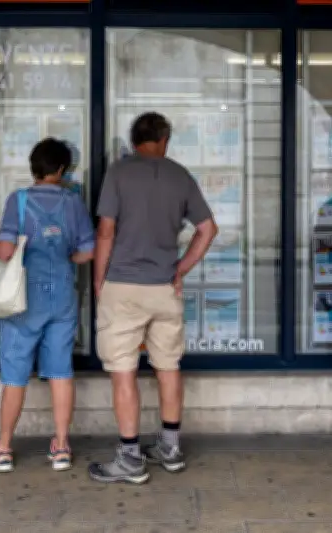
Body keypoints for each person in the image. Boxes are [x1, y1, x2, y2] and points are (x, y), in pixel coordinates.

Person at [89, 112, 218, 484]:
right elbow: (207, 229)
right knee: (168, 366)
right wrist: (181, 269)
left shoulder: (118, 173)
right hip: (165, 288)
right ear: (164, 139)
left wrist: (99, 280)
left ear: (134, 141)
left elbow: (106, 230)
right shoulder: (180, 175)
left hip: (123, 287)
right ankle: (171, 448)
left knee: (123, 371)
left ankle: (130, 457)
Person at [0, 137, 95, 473]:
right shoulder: (73, 202)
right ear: (61, 169)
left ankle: (3, 448)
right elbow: (87, 251)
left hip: (23, 300)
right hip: (61, 294)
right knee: (61, 371)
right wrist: (65, 257)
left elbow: (5, 251)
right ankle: (61, 446)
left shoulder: (17, 201)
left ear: (34, 167)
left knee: (15, 374)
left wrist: (5, 246)